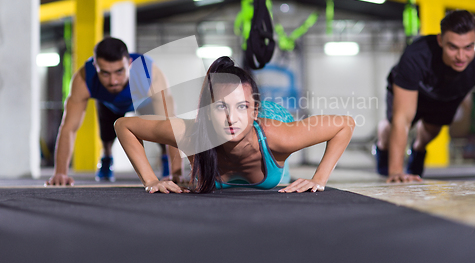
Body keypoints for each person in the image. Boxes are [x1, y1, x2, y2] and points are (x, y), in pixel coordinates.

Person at [114, 56, 355, 194]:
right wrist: (150, 180)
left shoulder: (280, 137)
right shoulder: (192, 133)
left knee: (284, 171)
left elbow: (345, 124)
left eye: (241, 107)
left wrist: (319, 179)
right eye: (220, 107)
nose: (231, 119)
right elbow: (124, 126)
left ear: (254, 110)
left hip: (273, 122)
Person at [375, 10, 475, 183]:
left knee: (431, 131)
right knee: (392, 126)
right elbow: (402, 118)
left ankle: (417, 149)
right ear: (440, 40)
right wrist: (395, 172)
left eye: (468, 47)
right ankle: (382, 147)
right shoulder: (416, 55)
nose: (461, 56)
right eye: (453, 47)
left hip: (446, 94)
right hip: (412, 89)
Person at [46, 37, 181, 186]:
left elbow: (172, 125)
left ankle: (166, 162)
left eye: (119, 72)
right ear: (95, 65)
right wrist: (60, 173)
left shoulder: (149, 73)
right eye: (104, 73)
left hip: (144, 102)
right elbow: (69, 128)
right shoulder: (84, 78)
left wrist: (177, 172)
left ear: (129, 64)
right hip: (109, 104)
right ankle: (107, 157)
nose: (113, 81)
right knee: (106, 137)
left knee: (162, 133)